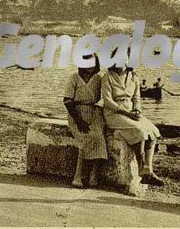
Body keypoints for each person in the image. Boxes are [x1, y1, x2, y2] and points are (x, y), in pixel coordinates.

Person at [101, 56, 164, 186]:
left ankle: (148, 169)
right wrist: (125, 112)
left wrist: (137, 111)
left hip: (130, 113)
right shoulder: (107, 77)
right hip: (114, 114)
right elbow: (108, 101)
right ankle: (142, 169)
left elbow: (136, 100)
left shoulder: (134, 77)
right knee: (139, 130)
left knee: (153, 131)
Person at [63, 54, 107, 188]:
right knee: (85, 138)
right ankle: (78, 176)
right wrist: (79, 121)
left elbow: (108, 94)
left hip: (94, 113)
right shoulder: (74, 78)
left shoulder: (98, 79)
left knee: (99, 138)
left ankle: (93, 175)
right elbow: (67, 101)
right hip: (77, 114)